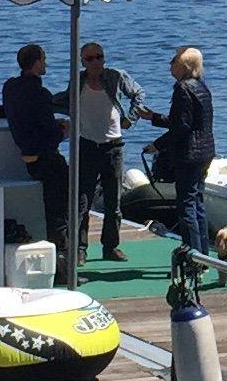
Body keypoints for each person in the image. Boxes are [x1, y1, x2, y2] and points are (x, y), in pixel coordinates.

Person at [72, 40, 145, 262]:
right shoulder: (78, 81)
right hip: (86, 145)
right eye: (90, 58)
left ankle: (110, 246)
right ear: (82, 62)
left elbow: (138, 94)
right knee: (82, 200)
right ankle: (80, 249)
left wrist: (130, 119)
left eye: (99, 57)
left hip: (113, 146)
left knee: (114, 201)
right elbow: (67, 102)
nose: (96, 62)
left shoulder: (115, 76)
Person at [0, 42, 69, 247]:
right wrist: (63, 130)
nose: (46, 63)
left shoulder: (10, 87)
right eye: (43, 59)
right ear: (36, 64)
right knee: (59, 207)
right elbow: (48, 133)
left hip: (27, 154)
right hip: (46, 157)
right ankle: (62, 251)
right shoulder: (41, 94)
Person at [153, 45, 216, 263]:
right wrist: (154, 118)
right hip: (205, 151)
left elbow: (181, 127)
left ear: (184, 66)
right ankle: (204, 256)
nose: (170, 64)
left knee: (187, 205)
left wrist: (158, 145)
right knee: (197, 202)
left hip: (188, 154)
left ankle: (192, 256)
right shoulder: (201, 87)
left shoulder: (182, 89)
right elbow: (189, 120)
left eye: (174, 60)